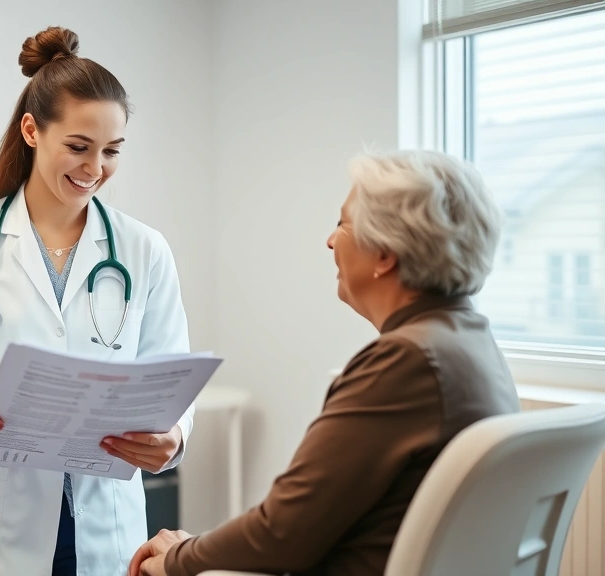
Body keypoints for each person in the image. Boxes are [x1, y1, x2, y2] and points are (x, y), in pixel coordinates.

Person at [0, 26, 195, 576]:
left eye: (111, 151)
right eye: (78, 147)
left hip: (106, 526)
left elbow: (171, 375)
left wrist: (175, 434)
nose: (95, 169)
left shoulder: (144, 250)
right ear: (31, 129)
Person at [128, 149, 522, 576]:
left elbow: (279, 535)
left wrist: (178, 559)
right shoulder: (472, 344)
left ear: (385, 252)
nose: (330, 241)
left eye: (342, 224)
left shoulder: (406, 362)